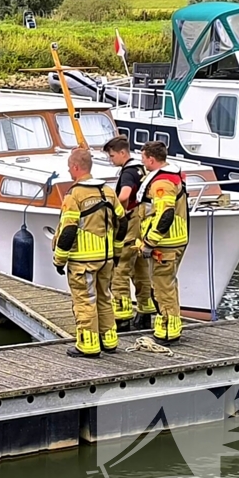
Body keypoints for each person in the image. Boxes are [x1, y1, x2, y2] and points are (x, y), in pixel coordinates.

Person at [53, 147, 126, 358]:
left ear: (76, 167)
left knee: (85, 301)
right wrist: (116, 251)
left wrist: (59, 259)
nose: (68, 171)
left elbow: (68, 230)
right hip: (106, 258)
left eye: (69, 167)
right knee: (104, 298)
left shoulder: (74, 195)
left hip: (83, 261)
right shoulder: (108, 191)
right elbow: (122, 222)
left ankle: (88, 345)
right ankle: (109, 340)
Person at [137, 140, 189, 344]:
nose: (142, 162)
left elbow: (165, 214)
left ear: (151, 159)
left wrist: (150, 241)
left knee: (162, 287)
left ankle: (168, 331)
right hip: (174, 240)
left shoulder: (162, 183)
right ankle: (170, 326)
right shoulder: (172, 176)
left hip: (165, 244)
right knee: (168, 284)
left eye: (143, 158)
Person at [103, 135, 156, 331]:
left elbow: (125, 195)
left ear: (122, 153)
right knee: (141, 269)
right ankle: (145, 312)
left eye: (112, 155)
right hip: (143, 224)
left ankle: (122, 316)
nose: (111, 160)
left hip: (131, 223)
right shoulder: (141, 169)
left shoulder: (127, 172)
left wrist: (118, 212)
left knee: (120, 268)